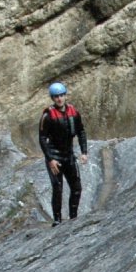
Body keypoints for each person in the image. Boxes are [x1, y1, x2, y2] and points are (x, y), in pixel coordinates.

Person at [39, 81, 88, 225]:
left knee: (76, 187)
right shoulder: (48, 115)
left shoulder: (73, 112)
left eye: (61, 95)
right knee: (57, 188)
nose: (59, 99)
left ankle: (73, 217)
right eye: (56, 97)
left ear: (65, 96)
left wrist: (84, 151)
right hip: (55, 156)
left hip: (69, 155)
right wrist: (50, 159)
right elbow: (42, 138)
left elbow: (81, 132)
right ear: (53, 98)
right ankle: (57, 219)